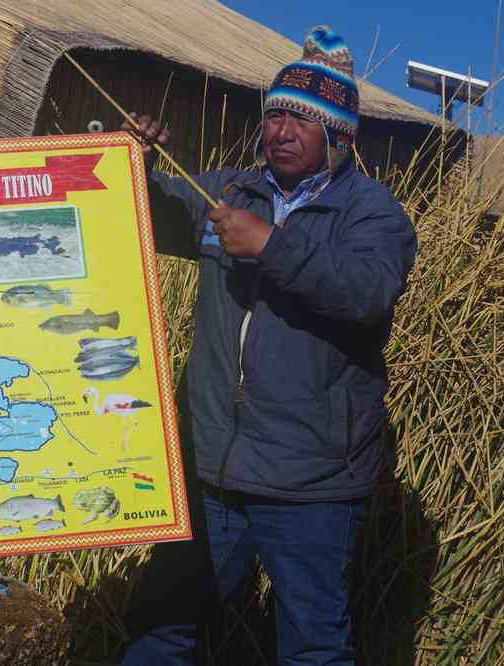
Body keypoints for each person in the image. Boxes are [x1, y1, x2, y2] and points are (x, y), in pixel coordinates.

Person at [121, 26, 417, 665]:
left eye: (302, 121)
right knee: (162, 627)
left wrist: (273, 246)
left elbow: (367, 293)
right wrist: (134, 166)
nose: (281, 130)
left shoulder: (371, 214)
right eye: (275, 114)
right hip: (214, 470)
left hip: (311, 481)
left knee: (311, 647)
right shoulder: (233, 191)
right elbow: (152, 215)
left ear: (339, 138)